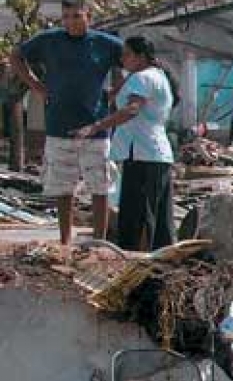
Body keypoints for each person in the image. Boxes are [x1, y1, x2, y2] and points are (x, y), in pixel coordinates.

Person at [10, 0, 122, 246]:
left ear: (88, 17)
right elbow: (16, 56)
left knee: (100, 187)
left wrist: (116, 91)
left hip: (95, 127)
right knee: (63, 187)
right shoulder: (49, 40)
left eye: (77, 16)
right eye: (66, 17)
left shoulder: (105, 43)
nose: (71, 22)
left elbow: (130, 63)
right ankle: (65, 239)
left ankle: (98, 241)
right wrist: (36, 86)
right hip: (59, 126)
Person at [74, 36, 176, 251]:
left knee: (136, 217)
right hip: (156, 154)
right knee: (159, 220)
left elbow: (132, 109)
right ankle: (162, 264)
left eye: (127, 54)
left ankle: (136, 264)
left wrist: (96, 126)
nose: (122, 59)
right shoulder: (155, 76)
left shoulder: (143, 78)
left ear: (140, 57)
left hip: (141, 153)